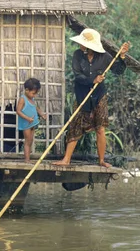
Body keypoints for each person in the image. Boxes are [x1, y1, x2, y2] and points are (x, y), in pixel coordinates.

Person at [53, 28, 130, 168]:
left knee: (100, 128)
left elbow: (118, 71)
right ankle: (66, 159)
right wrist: (92, 80)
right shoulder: (77, 55)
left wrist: (122, 56)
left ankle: (101, 160)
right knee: (75, 126)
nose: (80, 45)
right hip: (82, 96)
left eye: (83, 43)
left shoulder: (104, 57)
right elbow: (78, 76)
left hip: (99, 96)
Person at [16, 78, 46, 163]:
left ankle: (28, 157)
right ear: (26, 90)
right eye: (33, 93)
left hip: (32, 123)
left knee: (30, 141)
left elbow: (35, 107)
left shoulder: (31, 99)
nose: (34, 95)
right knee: (27, 141)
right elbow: (18, 111)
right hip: (26, 123)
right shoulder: (22, 99)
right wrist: (27, 118)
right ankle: (27, 159)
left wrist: (42, 114)